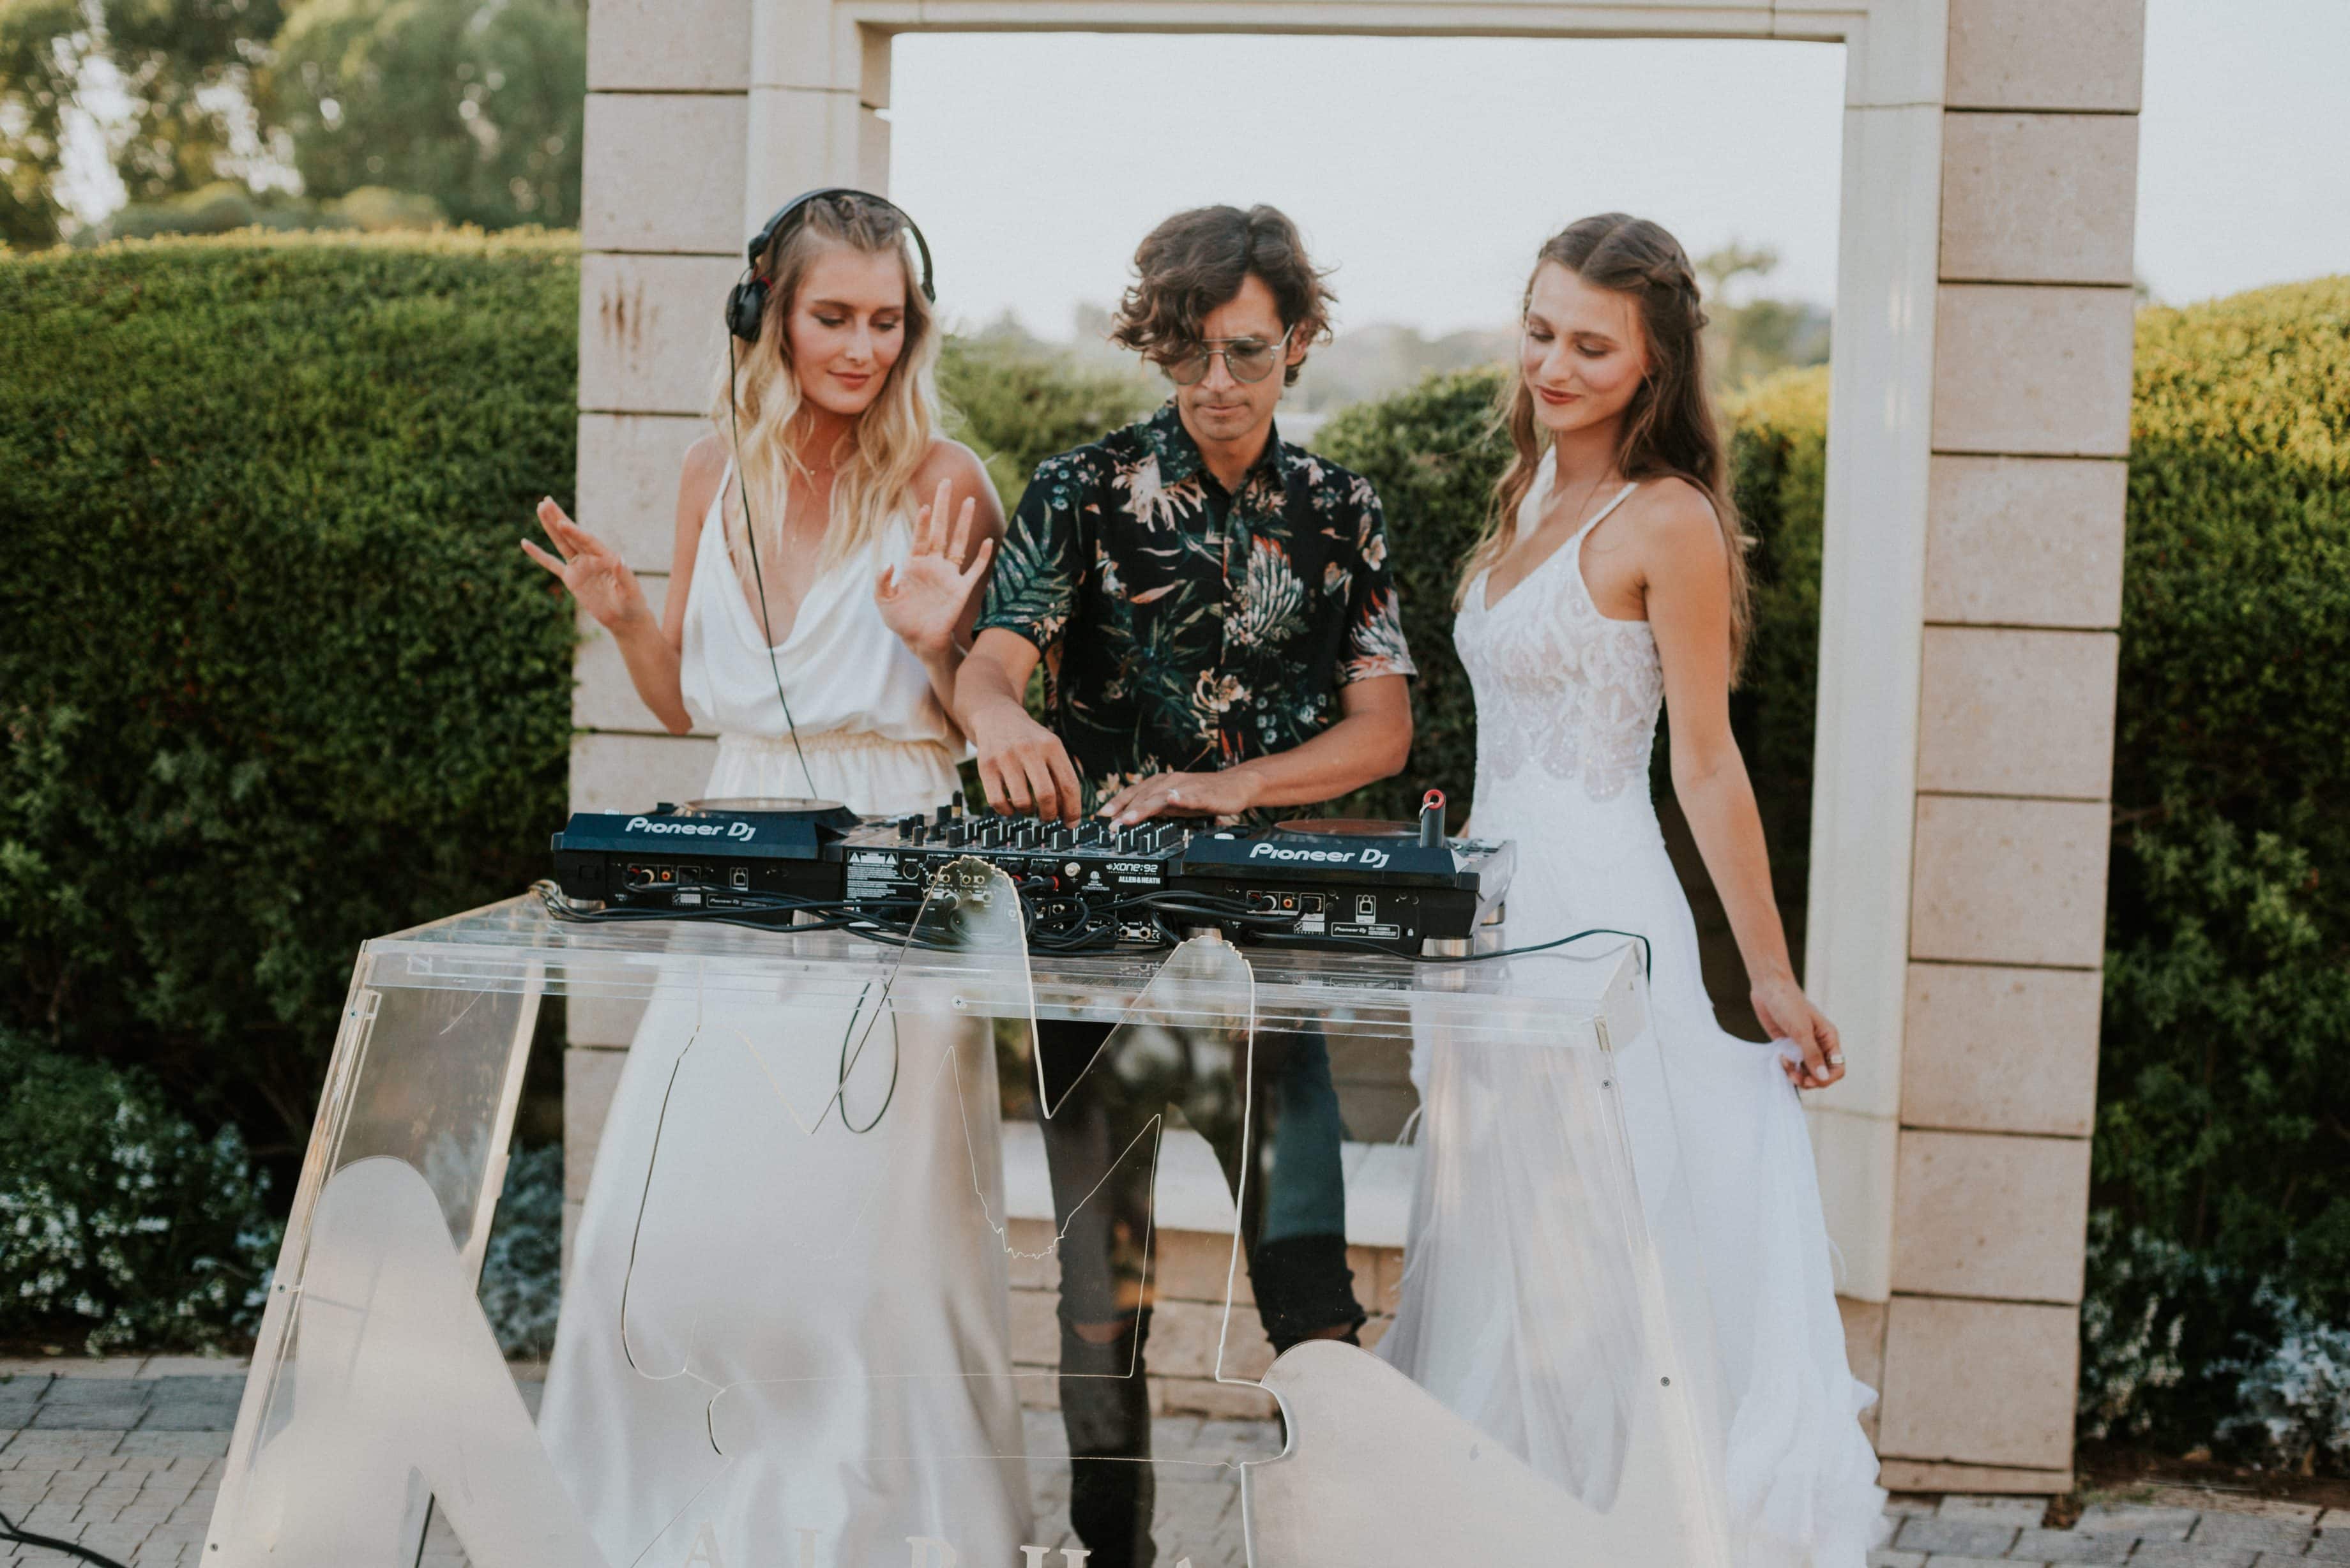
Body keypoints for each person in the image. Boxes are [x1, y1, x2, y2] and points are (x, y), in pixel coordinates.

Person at [527, 191, 1031, 1565]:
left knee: (864, 1245)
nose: (862, 348)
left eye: (887, 320)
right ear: (767, 314)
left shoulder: (946, 479)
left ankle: (878, 1536)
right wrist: (627, 620)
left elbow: (985, 719)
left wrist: (937, 647)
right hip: (738, 863)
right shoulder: (713, 472)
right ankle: (672, 1524)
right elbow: (690, 704)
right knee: (668, 1221)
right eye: (833, 317)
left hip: (890, 870)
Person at [1375, 213, 1885, 1566]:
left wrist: (1768, 973)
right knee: (1500, 1228)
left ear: (1655, 364)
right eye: (1540, 332)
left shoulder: (1667, 519)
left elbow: (1706, 766)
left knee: (1604, 1226)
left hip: (1596, 909)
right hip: (1489, 916)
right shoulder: (1526, 492)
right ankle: (1500, 1522)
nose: (1553, 365)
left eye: (1591, 347)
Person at [955, 203, 1416, 1568]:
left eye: (1247, 352)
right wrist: (997, 714)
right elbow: (992, 662)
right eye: (1187, 353)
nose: (1217, 383)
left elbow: (1382, 730)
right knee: (1101, 1306)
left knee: (1313, 1297)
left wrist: (1232, 785)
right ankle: (1117, 1560)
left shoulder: (1340, 509)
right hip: (1093, 952)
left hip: (1263, 959)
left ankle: (1335, 1550)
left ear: (1299, 341)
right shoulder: (1079, 489)